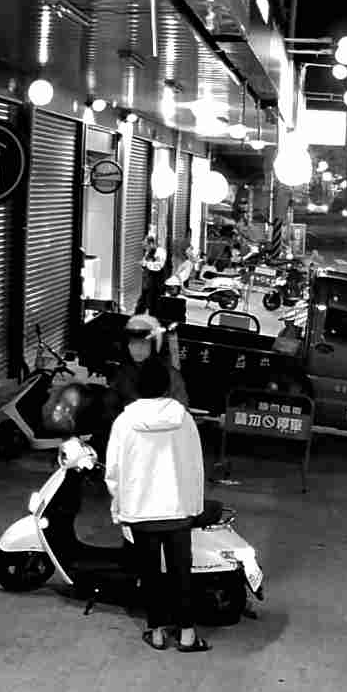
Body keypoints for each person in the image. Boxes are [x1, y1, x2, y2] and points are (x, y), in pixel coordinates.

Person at [104, 356, 208, 652]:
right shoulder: (183, 419)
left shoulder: (124, 422)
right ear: (166, 386)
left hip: (141, 511)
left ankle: (157, 632)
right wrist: (194, 506)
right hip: (177, 510)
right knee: (181, 572)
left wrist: (119, 507)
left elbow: (114, 470)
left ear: (138, 387)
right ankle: (187, 635)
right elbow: (196, 465)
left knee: (150, 574)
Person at [136, 231, 170, 314]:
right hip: (147, 284)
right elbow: (145, 263)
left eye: (146, 246)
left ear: (151, 244)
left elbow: (159, 266)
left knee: (154, 307)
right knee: (141, 305)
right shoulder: (148, 252)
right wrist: (143, 265)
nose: (145, 249)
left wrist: (146, 264)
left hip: (157, 285)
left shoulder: (160, 252)